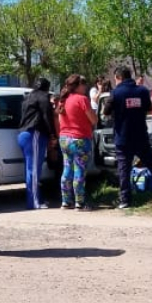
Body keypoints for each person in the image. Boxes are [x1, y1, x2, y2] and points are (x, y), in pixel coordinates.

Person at [105, 65, 152, 209]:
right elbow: (149, 109)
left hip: (123, 137)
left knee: (124, 168)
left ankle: (125, 200)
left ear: (118, 77)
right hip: (140, 135)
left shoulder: (115, 92)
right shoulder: (142, 91)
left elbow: (106, 112)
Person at [56, 73, 97, 210]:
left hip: (64, 139)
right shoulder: (82, 99)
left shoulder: (63, 99)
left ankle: (66, 201)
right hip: (79, 139)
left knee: (67, 169)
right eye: (83, 84)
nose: (85, 87)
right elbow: (94, 120)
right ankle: (80, 202)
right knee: (79, 170)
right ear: (78, 85)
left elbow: (60, 120)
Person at [17, 77, 56, 210]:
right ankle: (33, 202)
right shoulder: (43, 97)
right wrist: (53, 134)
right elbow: (47, 116)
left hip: (24, 134)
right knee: (34, 170)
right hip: (34, 134)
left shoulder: (27, 97)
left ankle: (36, 199)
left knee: (31, 170)